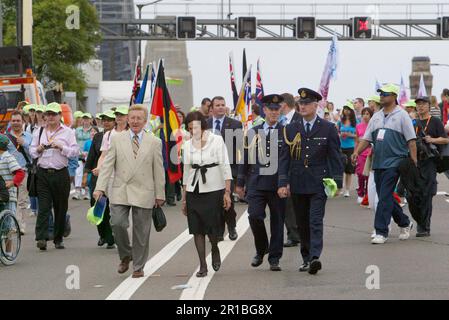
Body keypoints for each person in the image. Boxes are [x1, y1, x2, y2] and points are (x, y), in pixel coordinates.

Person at [93, 105, 165, 278]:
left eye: (138, 118)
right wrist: (100, 188)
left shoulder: (154, 142)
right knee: (117, 223)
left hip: (144, 190)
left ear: (145, 121)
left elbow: (159, 169)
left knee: (141, 232)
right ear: (127, 119)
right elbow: (108, 164)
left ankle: (138, 266)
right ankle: (125, 255)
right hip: (121, 189)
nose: (135, 121)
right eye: (132, 118)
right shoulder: (117, 139)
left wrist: (160, 193)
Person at [278, 88, 343, 275]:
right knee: (302, 223)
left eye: (307, 104)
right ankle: (306, 258)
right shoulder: (290, 129)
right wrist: (283, 183)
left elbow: (335, 156)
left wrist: (337, 182)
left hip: (318, 182)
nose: (303, 106)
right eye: (301, 104)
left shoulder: (328, 128)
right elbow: (284, 158)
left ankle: (315, 257)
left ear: (316, 105)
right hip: (297, 182)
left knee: (315, 221)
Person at [351, 84, 417, 244]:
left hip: (395, 162)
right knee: (385, 196)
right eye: (380, 93)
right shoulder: (377, 116)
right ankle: (405, 222)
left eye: (385, 94)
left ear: (394, 96)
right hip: (378, 162)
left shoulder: (402, 115)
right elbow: (367, 138)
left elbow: (411, 140)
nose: (381, 96)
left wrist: (414, 161)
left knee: (385, 196)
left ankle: (381, 231)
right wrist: (356, 152)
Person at [236, 94, 286, 271]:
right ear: (264, 110)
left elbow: (288, 160)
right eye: (270, 109)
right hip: (256, 182)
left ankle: (274, 257)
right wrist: (240, 183)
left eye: (277, 109)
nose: (274, 112)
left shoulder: (286, 132)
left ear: (280, 110)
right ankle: (262, 247)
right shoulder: (253, 132)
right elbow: (245, 159)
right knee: (255, 216)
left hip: (277, 184)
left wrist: (286, 183)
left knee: (277, 222)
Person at [182, 111, 232, 277]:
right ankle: (202, 265)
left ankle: (215, 247)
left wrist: (227, 191)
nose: (193, 131)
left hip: (213, 188)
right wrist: (183, 198)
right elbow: (186, 171)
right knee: (196, 229)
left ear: (202, 125)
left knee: (212, 226)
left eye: (195, 127)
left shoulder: (216, 140)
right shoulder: (187, 145)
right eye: (189, 129)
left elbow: (225, 165)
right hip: (194, 190)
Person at [30, 102, 79, 250]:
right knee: (43, 206)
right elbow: (31, 152)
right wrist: (38, 149)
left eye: (53, 114)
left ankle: (58, 238)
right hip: (43, 173)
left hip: (60, 173)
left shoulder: (68, 132)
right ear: (45, 116)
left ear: (59, 116)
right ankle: (41, 237)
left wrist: (61, 147)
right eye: (48, 114)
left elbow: (75, 152)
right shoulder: (39, 131)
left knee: (60, 207)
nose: (50, 117)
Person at [411, 96, 449, 237]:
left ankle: (424, 227)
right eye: (418, 104)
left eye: (423, 104)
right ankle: (419, 220)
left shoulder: (435, 121)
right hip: (414, 160)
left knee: (426, 194)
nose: (420, 106)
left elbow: (445, 139)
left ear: (428, 106)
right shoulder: (412, 122)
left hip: (429, 161)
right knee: (412, 194)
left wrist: (431, 139)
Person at [207, 96, 242, 241]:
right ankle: (218, 230)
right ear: (212, 108)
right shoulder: (204, 124)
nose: (221, 107)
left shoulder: (235, 124)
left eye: (223, 105)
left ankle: (231, 226)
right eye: (217, 105)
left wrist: (241, 171)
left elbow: (240, 148)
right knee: (214, 201)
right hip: (210, 169)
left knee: (227, 199)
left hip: (229, 168)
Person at [84, 111, 116, 249]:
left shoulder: (119, 136)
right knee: (98, 206)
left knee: (112, 208)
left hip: (114, 177)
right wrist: (86, 174)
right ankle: (102, 234)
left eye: (110, 119)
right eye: (104, 119)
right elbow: (92, 156)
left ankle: (111, 237)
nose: (106, 122)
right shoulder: (98, 136)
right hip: (98, 176)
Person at [280, 92, 301, 248]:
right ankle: (293, 234)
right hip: (285, 167)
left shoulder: (299, 119)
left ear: (284, 105)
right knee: (288, 204)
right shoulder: (282, 121)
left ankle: (299, 233)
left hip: (299, 168)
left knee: (298, 204)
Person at [6, 111, 33, 235]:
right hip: (7, 174)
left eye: (18, 121)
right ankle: (10, 225)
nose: (16, 123)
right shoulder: (5, 137)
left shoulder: (29, 136)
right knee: (10, 200)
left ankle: (20, 226)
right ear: (10, 122)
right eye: (14, 121)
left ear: (23, 122)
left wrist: (25, 144)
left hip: (23, 171)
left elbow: (34, 154)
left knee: (22, 200)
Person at [337, 102, 357, 197]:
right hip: (340, 147)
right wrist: (340, 135)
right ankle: (340, 187)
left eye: (348, 109)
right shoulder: (340, 121)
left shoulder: (355, 122)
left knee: (349, 169)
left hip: (350, 147)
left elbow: (358, 135)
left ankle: (347, 189)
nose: (346, 111)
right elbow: (335, 133)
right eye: (345, 109)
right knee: (339, 168)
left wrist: (349, 135)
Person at [355, 107, 373, 204]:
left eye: (367, 114)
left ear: (371, 115)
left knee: (368, 175)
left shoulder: (373, 125)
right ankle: (360, 193)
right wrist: (355, 152)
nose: (365, 116)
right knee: (360, 174)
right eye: (364, 114)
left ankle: (367, 194)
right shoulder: (358, 126)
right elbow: (357, 141)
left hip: (370, 153)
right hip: (361, 153)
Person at [73, 113, 92, 200]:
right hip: (79, 154)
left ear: (91, 120)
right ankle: (77, 191)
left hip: (90, 154)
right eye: (84, 119)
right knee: (78, 172)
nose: (86, 121)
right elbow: (74, 141)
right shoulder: (77, 130)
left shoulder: (93, 130)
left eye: (87, 119)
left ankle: (87, 192)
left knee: (87, 173)